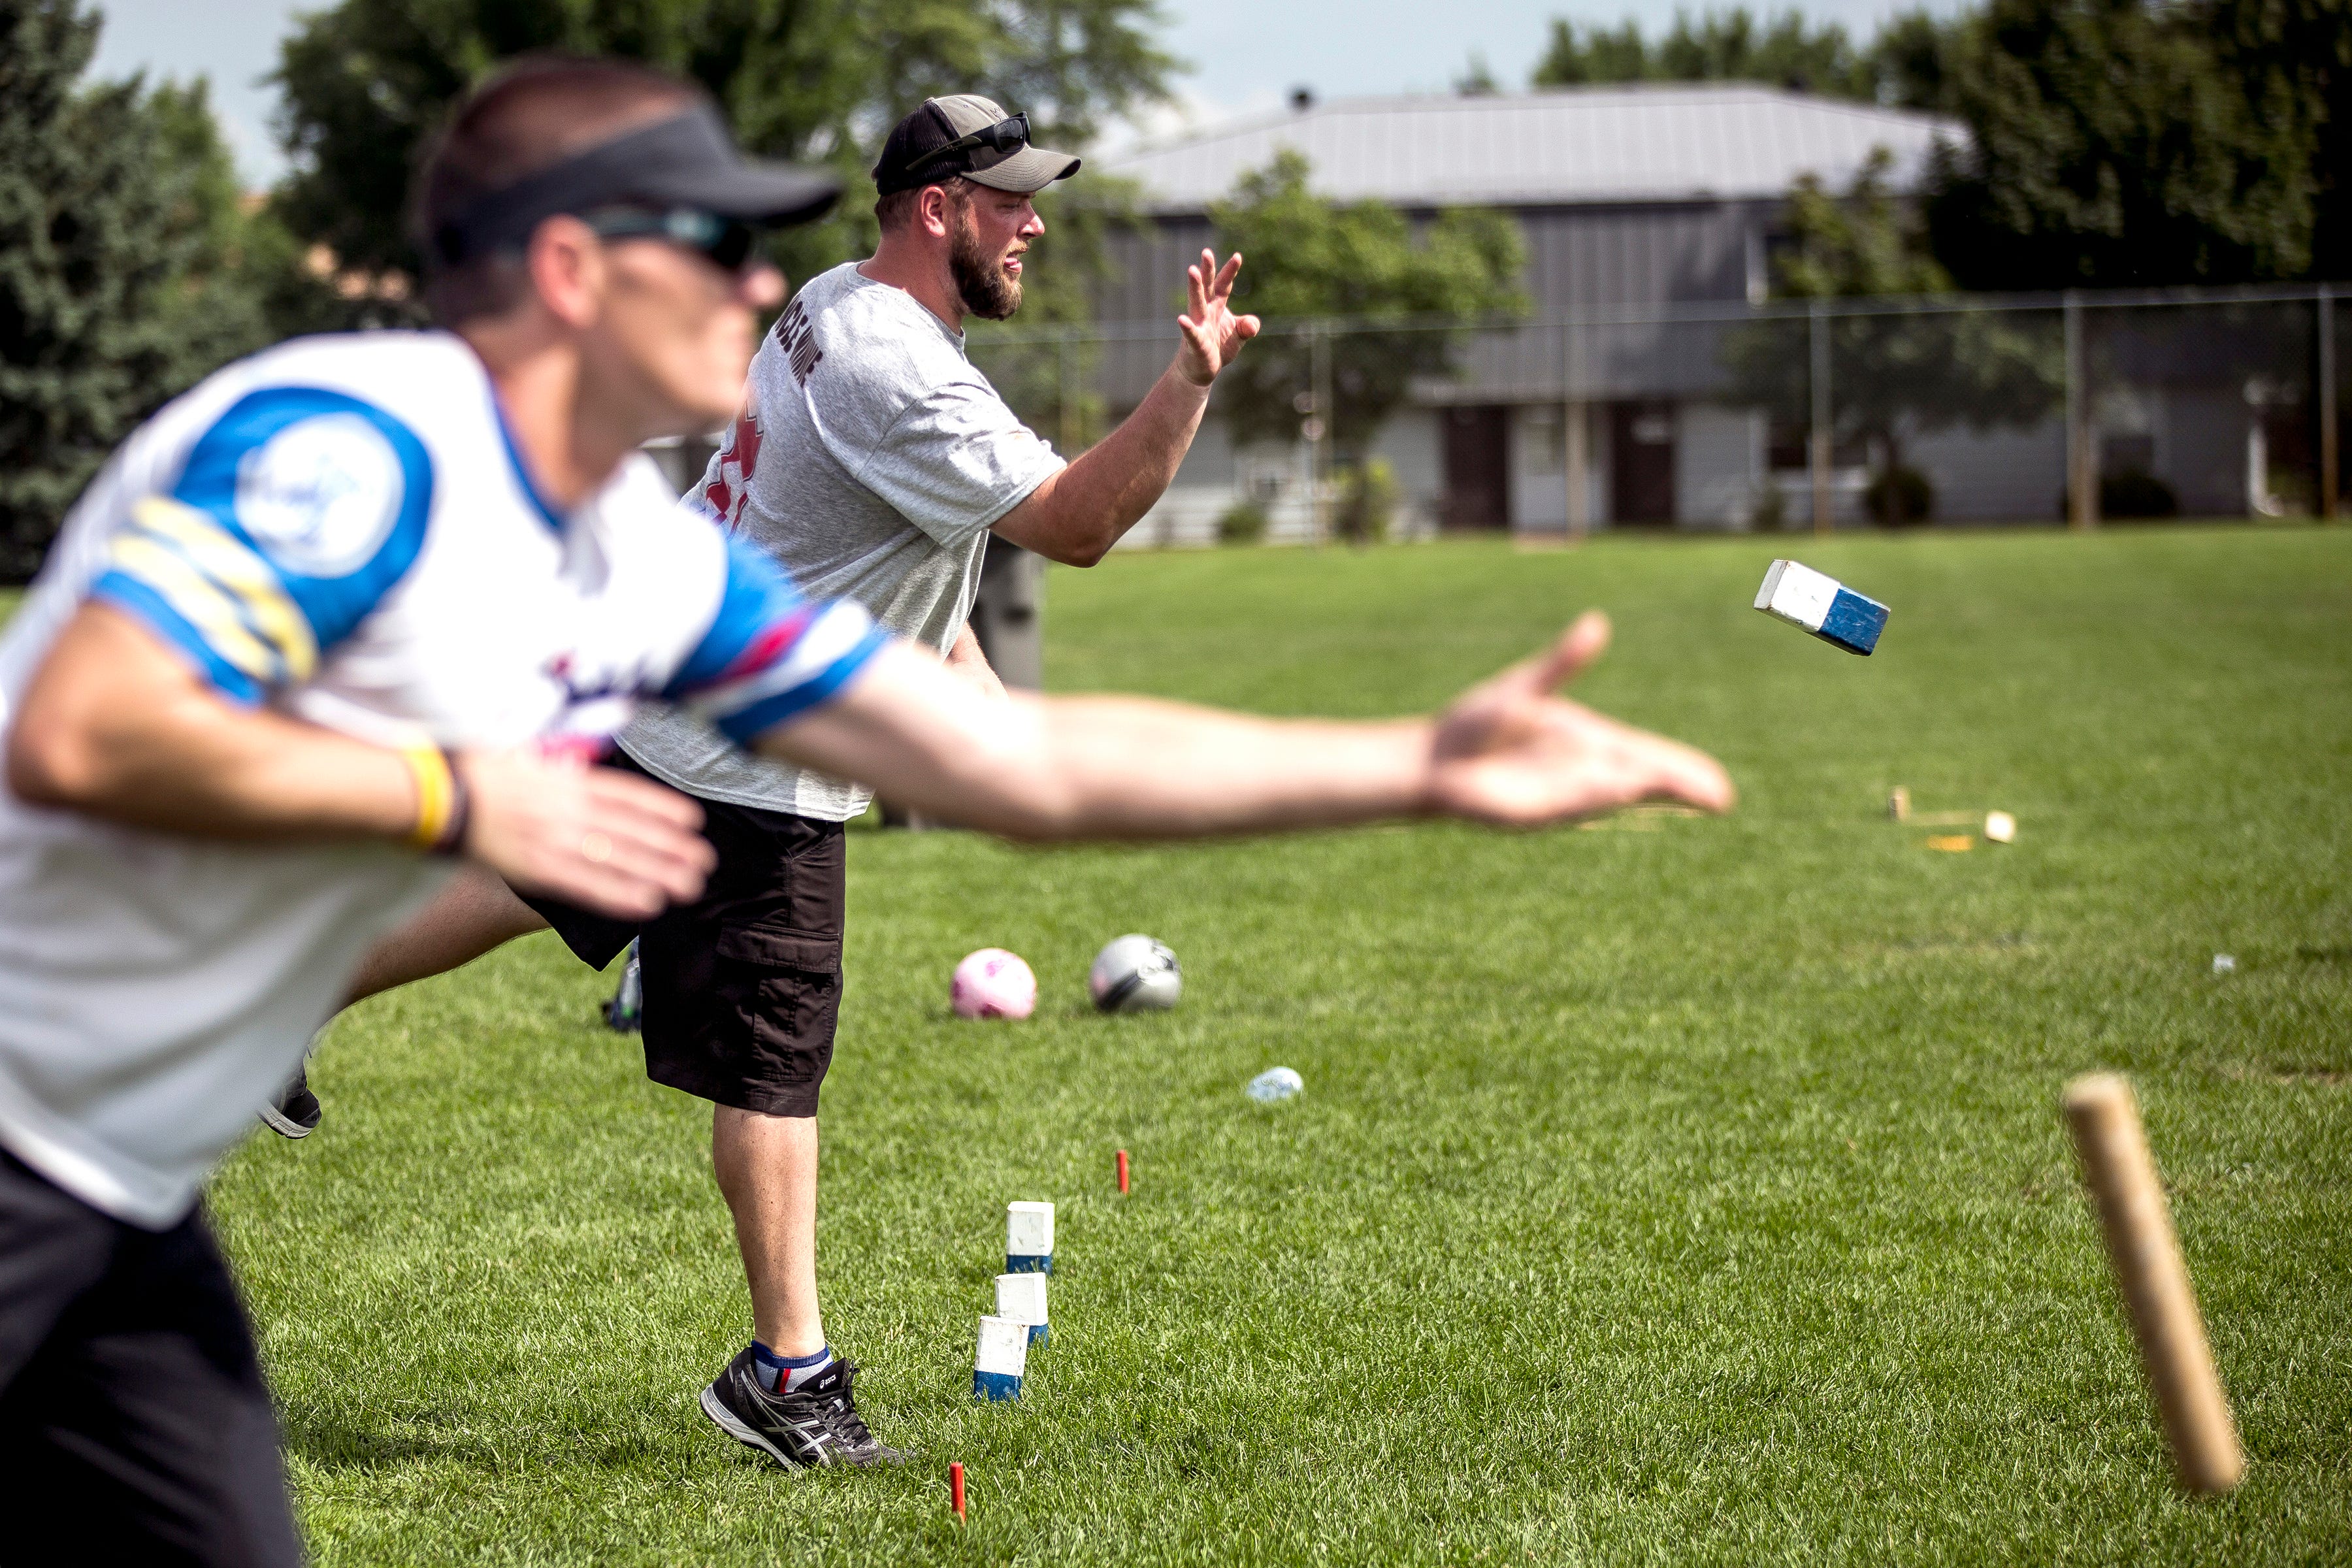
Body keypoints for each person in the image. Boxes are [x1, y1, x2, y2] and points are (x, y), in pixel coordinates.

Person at [0, 53, 1731, 1555]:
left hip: (119, 1187)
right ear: (568, 268)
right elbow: (82, 730)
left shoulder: (634, 555)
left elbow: (1015, 766)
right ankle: (786, 1364)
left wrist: (1414, 769)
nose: (767, 290)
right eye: (719, 249)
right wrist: (457, 795)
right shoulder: (351, 446)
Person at [267, 91, 1269, 1471]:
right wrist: (1191, 381)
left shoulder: (832, 303)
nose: (1035, 224)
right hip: (752, 747)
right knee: (777, 1061)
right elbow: (1080, 524)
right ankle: (783, 1376)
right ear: (938, 208)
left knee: (528, 879)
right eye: (1012, 202)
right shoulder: (902, 373)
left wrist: (965, 688)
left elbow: (880, 540)